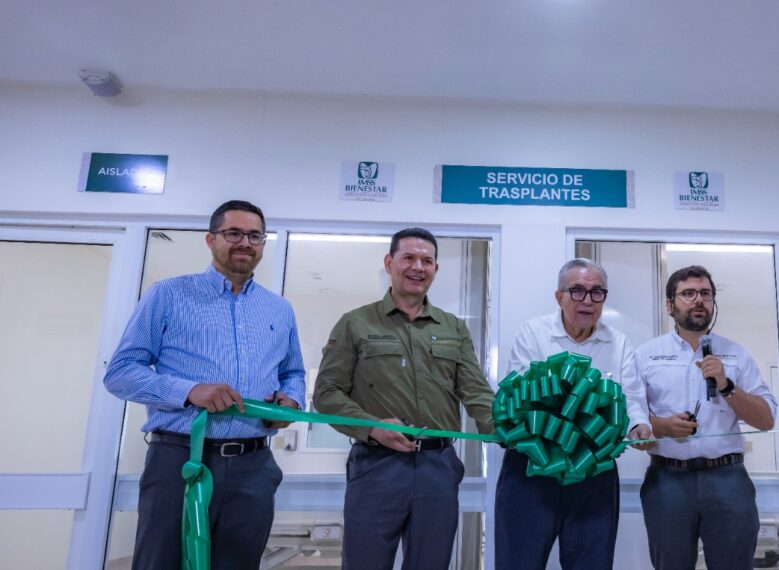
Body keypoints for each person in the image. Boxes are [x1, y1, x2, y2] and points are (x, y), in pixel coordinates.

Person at [104, 200, 306, 569]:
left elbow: (294, 373)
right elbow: (120, 372)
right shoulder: (167, 295)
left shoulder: (279, 309)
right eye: (233, 233)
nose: (245, 242)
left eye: (254, 235)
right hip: (180, 462)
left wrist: (289, 402)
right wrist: (188, 391)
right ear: (211, 240)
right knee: (161, 561)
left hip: (253, 465)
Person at [312, 227, 495, 570]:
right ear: (389, 263)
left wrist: (513, 430)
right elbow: (325, 394)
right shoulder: (355, 323)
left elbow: (477, 392)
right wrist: (372, 427)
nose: (418, 267)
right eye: (408, 257)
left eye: (427, 260)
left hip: (437, 468)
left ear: (436, 269)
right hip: (376, 465)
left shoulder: (453, 328)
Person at [495, 258, 653, 570]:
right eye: (577, 291)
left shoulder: (618, 342)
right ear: (559, 297)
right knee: (519, 562)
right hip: (531, 472)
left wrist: (639, 425)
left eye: (597, 293)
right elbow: (525, 397)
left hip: (593, 472)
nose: (588, 301)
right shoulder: (534, 333)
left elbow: (632, 397)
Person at [635, 265, 777, 570]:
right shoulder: (646, 355)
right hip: (667, 480)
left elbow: (766, 419)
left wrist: (727, 386)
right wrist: (662, 426)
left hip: (728, 480)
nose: (699, 300)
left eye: (706, 294)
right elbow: (630, 417)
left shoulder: (736, 354)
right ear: (670, 305)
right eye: (688, 293)